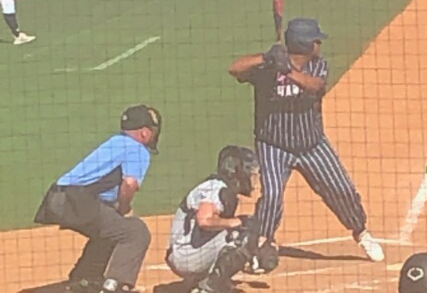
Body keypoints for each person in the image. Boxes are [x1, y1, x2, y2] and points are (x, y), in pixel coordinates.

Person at [228, 17, 384, 262]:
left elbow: (315, 86)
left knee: (341, 189)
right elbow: (234, 68)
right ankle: (261, 242)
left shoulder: (318, 66)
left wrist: (287, 71)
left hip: (312, 144)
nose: (319, 44)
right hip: (272, 145)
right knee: (272, 196)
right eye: (316, 40)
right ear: (307, 44)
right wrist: (265, 58)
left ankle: (361, 232)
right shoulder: (267, 68)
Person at [34, 104, 162, 293]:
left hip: (59, 197)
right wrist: (124, 208)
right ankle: (116, 287)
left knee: (113, 228)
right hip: (75, 200)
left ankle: (84, 281)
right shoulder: (137, 148)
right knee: (135, 232)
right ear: (144, 133)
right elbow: (130, 183)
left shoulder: (117, 141)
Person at [165, 145, 279, 293]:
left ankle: (208, 280)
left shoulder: (223, 189)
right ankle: (209, 289)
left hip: (189, 252)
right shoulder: (215, 188)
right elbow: (204, 220)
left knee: (245, 229)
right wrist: (238, 223)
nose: (253, 178)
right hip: (185, 255)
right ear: (237, 172)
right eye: (250, 172)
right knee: (244, 232)